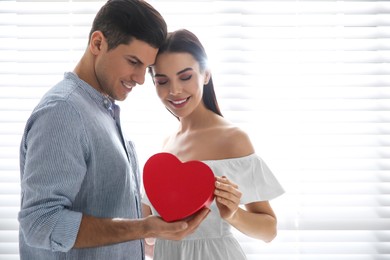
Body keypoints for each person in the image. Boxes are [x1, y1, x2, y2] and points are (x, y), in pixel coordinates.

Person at [18, 2, 209, 259]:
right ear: (98, 44)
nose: (141, 79)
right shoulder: (63, 112)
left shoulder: (103, 110)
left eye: (147, 68)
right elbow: (40, 223)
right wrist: (142, 228)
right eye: (133, 62)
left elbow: (105, 208)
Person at [143, 29, 285, 260]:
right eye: (162, 81)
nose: (174, 90)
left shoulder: (232, 139)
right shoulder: (165, 146)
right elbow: (151, 235)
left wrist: (234, 214)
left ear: (206, 74)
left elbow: (269, 230)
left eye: (185, 76)